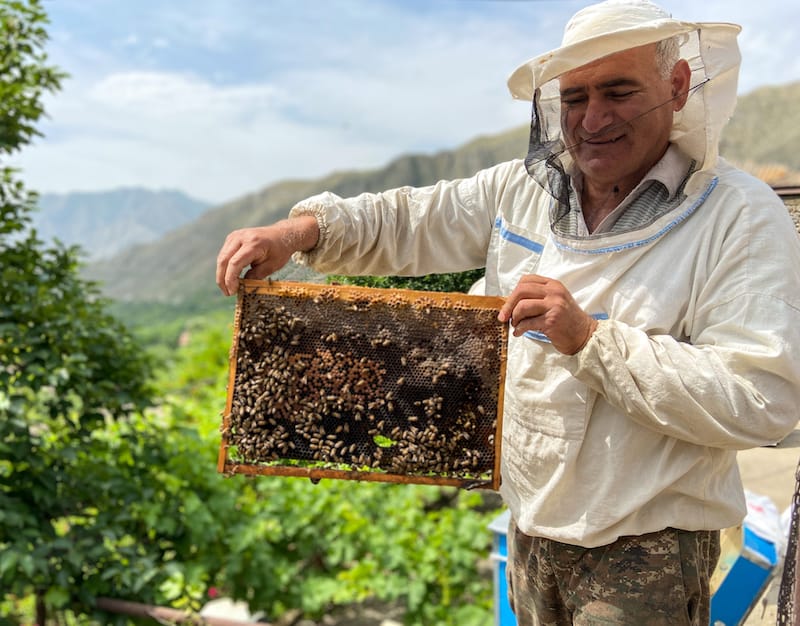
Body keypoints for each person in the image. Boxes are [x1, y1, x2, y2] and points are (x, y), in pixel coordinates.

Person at [216, 0, 800, 623]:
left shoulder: (739, 216)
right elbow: (411, 217)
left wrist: (589, 339)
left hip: (644, 550)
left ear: (678, 87)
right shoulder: (524, 189)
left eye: (619, 91)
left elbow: (760, 397)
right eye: (574, 98)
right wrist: (297, 231)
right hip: (529, 527)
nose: (592, 118)